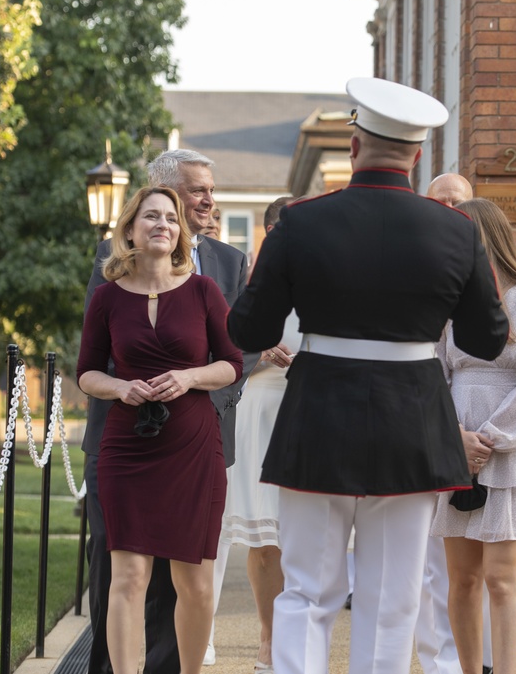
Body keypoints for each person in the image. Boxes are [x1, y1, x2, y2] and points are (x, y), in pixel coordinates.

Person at [226, 77, 509, 674]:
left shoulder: (299, 223)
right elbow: (486, 338)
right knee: (391, 599)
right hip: (412, 425)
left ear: (354, 146)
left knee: (306, 590)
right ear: (417, 155)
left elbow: (248, 331)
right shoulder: (457, 230)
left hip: (319, 416)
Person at [81, 149, 254, 674]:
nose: (205, 201)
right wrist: (120, 387)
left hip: (195, 442)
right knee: (124, 576)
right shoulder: (109, 289)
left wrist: (190, 378)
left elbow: (234, 357)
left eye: (172, 216)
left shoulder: (219, 271)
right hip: (126, 442)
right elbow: (87, 368)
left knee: (192, 584)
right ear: (130, 227)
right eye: (193, 192)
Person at [430, 197, 516, 674]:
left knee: (502, 578)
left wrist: (487, 440)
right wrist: (455, 439)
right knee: (461, 579)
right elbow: (436, 377)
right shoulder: (448, 305)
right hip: (456, 449)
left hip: (510, 452)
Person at [217, 196, 299, 673]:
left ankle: (296, 639)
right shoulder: (244, 284)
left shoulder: (325, 284)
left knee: (307, 537)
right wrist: (258, 354)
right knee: (264, 539)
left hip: (311, 410)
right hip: (260, 410)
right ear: (268, 233)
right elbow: (221, 348)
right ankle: (268, 639)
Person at [417, 172, 493, 674]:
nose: (449, 208)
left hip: (475, 437)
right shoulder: (413, 273)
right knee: (427, 566)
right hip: (421, 430)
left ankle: (476, 661)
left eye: (458, 202)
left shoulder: (487, 282)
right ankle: (440, 662)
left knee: (475, 568)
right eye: (440, 201)